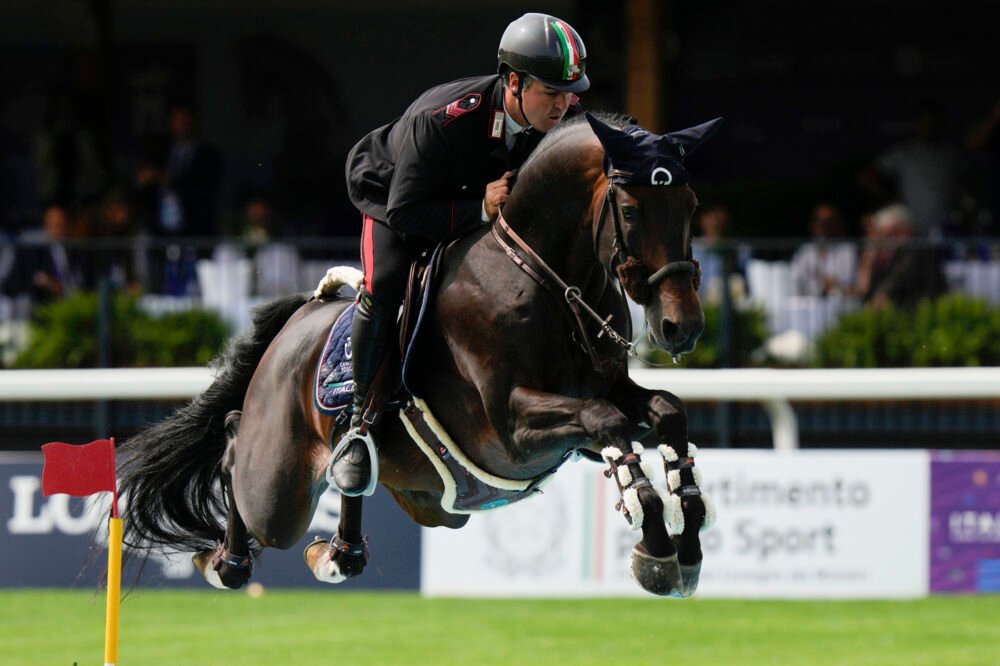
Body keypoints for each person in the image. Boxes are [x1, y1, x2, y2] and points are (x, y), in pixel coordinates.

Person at [332, 13, 590, 495]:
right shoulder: (447, 117)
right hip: (393, 198)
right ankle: (356, 426)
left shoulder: (565, 121)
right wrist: (480, 210)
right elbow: (407, 212)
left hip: (473, 204)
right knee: (385, 283)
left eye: (570, 92)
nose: (564, 105)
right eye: (552, 92)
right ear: (514, 82)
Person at [860, 101, 964, 239]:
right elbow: (867, 175)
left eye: (933, 122)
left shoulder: (949, 152)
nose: (929, 126)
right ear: (916, 124)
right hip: (910, 229)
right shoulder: (904, 152)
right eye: (924, 122)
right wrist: (890, 200)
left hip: (945, 228)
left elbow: (970, 177)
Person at [854, 204, 945, 309]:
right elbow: (863, 291)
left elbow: (928, 293)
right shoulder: (884, 257)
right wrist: (867, 264)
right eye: (881, 234)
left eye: (889, 233)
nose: (882, 240)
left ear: (905, 231)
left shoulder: (922, 252)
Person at [789, 203, 856, 297]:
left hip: (838, 303)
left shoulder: (846, 250)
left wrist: (829, 283)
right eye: (819, 220)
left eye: (828, 221)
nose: (823, 225)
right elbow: (795, 276)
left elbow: (848, 283)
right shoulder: (805, 251)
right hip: (808, 303)